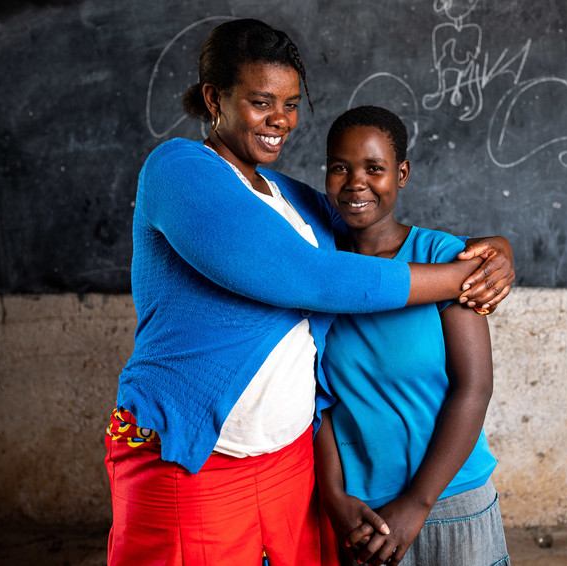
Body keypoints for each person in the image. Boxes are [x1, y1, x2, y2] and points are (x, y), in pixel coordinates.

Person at [104, 19, 515, 566]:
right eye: (261, 101)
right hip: (196, 457)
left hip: (287, 466)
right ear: (213, 98)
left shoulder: (288, 196)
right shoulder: (178, 169)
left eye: (292, 103)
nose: (281, 120)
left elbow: (370, 231)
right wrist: (461, 277)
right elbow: (309, 277)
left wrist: (492, 250)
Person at [314, 106, 510, 566]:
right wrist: (334, 497)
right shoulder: (316, 267)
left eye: (375, 168)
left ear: (401, 174)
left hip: (451, 501)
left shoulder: (442, 256)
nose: (355, 182)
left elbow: (474, 388)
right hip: (361, 515)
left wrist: (417, 503)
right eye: (340, 167)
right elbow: (316, 401)